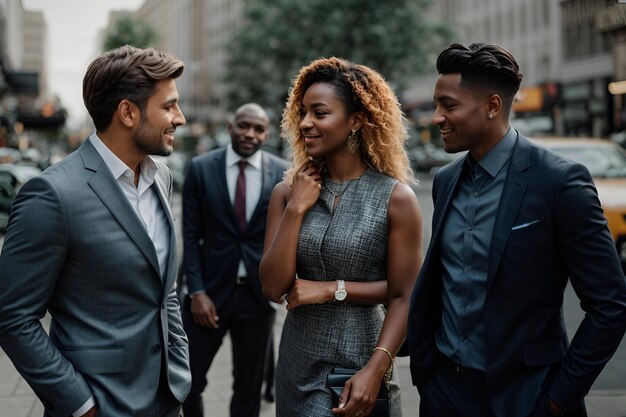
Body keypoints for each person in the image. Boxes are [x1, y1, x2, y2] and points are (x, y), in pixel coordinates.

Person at [407, 42, 626, 417]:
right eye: (437, 105)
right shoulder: (445, 180)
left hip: (524, 397)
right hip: (442, 393)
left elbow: (610, 305)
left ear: (492, 106)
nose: (437, 117)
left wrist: (557, 400)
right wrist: (429, 374)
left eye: (449, 105)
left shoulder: (559, 182)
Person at [0, 45, 191, 416]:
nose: (179, 118)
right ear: (128, 113)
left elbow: (162, 289)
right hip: (99, 404)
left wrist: (179, 365)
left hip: (167, 399)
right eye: (168, 106)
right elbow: (12, 316)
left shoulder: (161, 178)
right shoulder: (52, 194)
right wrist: (79, 404)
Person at [260, 57, 423, 417]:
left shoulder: (396, 198)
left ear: (356, 121)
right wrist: (296, 209)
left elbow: (405, 296)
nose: (305, 123)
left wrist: (374, 370)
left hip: (360, 363)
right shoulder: (286, 194)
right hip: (297, 364)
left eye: (319, 113)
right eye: (302, 113)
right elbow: (273, 287)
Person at [181, 103, 289, 417]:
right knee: (187, 382)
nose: (249, 134)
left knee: (248, 391)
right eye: (243, 126)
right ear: (231, 127)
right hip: (208, 297)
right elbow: (190, 235)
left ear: (267, 133)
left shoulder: (282, 172)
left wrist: (282, 284)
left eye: (258, 129)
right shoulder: (201, 168)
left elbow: (288, 236)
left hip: (257, 298)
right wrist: (197, 292)